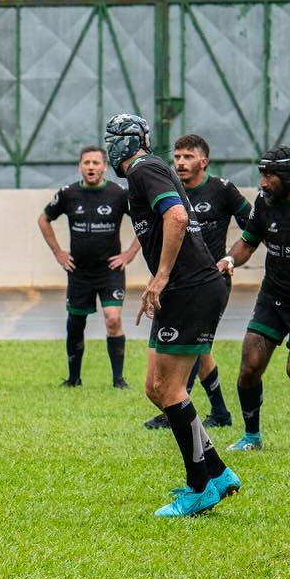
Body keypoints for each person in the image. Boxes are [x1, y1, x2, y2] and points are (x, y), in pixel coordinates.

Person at [104, 113, 239, 517]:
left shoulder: (146, 168)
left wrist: (160, 278)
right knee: (156, 387)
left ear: (129, 142)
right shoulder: (141, 176)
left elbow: (177, 216)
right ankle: (217, 472)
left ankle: (199, 487)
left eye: (114, 139)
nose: (111, 146)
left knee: (168, 389)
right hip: (190, 288)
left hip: (189, 288)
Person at [218, 146, 290, 453]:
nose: (263, 183)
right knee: (249, 367)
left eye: (269, 176)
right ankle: (251, 437)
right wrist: (228, 260)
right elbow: (247, 243)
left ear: (289, 177)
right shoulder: (264, 203)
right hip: (272, 298)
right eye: (262, 175)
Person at [142, 134, 250, 429]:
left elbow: (254, 226)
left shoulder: (222, 190)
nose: (180, 162)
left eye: (187, 157)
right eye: (176, 157)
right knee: (199, 348)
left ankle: (176, 409)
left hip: (210, 282)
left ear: (204, 161)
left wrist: (230, 258)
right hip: (178, 282)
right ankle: (218, 413)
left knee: (189, 345)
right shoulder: (171, 191)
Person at [37, 146, 140, 388]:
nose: (91, 167)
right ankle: (73, 379)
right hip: (79, 272)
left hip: (110, 271)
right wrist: (58, 253)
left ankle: (118, 380)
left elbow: (145, 222)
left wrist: (130, 253)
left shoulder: (118, 194)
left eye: (95, 163)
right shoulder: (68, 194)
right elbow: (43, 219)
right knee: (75, 323)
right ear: (80, 166)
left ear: (104, 167)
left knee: (113, 319)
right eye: (86, 163)